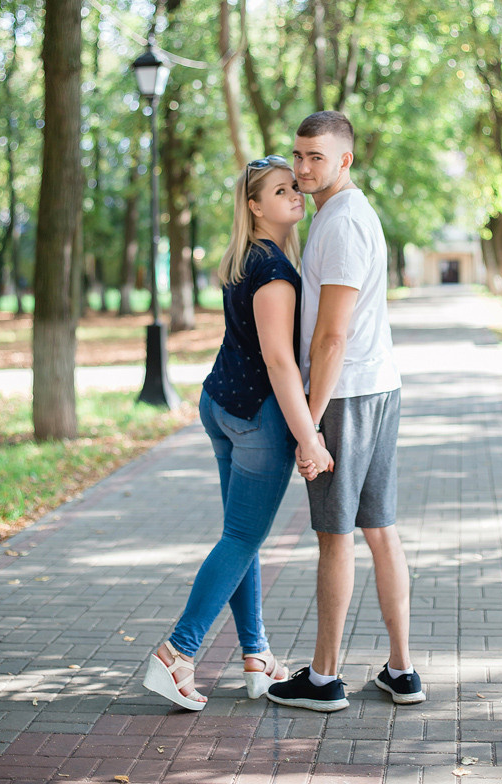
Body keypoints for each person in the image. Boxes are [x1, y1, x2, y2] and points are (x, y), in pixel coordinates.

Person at [143, 155, 333, 711]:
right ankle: (177, 653)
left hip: (221, 405)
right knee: (242, 539)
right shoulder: (273, 272)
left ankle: (257, 656)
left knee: (240, 535)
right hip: (256, 418)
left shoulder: (246, 258)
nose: (295, 195)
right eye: (280, 191)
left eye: (295, 187)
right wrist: (309, 436)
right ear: (254, 206)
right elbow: (278, 361)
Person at [267, 111, 425, 712]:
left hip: (347, 396)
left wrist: (310, 424)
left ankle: (324, 678)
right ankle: (401, 672)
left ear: (345, 160)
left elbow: (332, 337)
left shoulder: (342, 223)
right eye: (299, 155)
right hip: (376, 387)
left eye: (317, 158)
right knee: (380, 530)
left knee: (336, 538)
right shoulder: (340, 215)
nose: (304, 168)